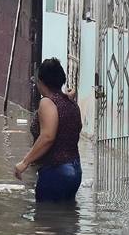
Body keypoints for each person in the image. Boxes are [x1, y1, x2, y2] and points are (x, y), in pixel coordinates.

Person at [13, 58, 82, 202]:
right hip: (75, 171)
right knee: (65, 219)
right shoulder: (70, 103)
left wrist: (24, 163)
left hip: (56, 171)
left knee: (44, 221)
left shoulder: (46, 103)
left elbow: (47, 137)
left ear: (41, 82)